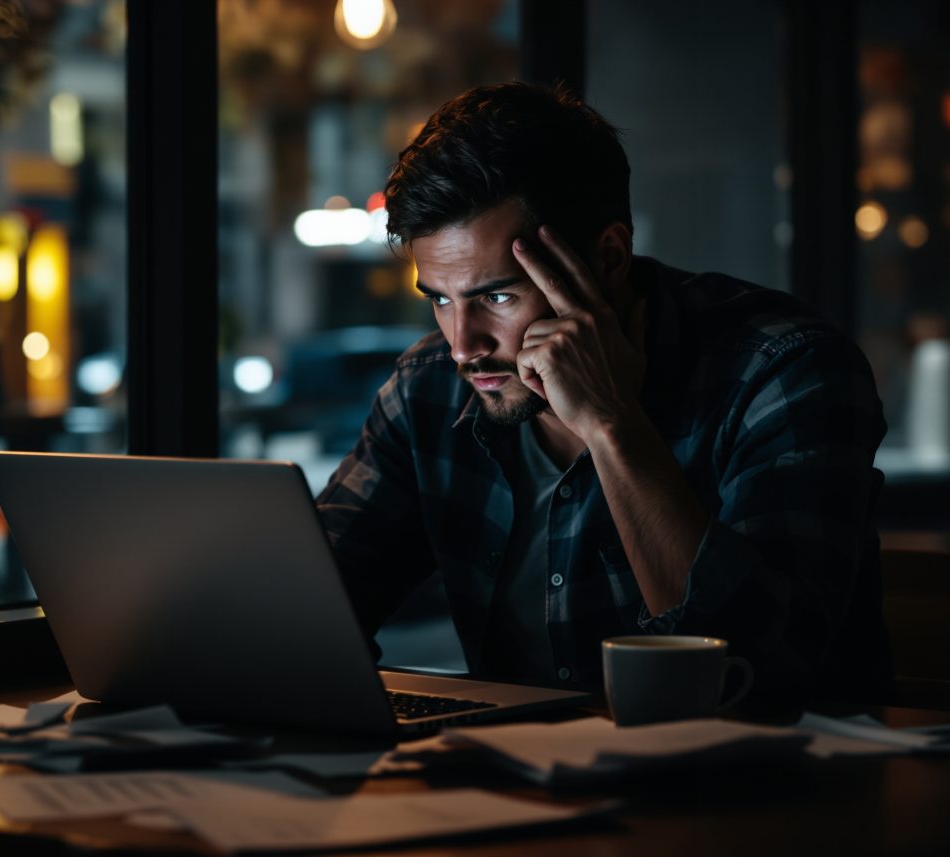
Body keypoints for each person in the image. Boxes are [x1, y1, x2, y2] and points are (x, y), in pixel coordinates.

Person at [316, 81, 892, 705]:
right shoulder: (428, 388)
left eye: (497, 296)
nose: (463, 345)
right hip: (508, 784)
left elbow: (757, 669)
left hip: (761, 789)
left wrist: (612, 422)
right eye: (441, 300)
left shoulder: (783, 372)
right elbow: (310, 605)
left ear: (609, 256)